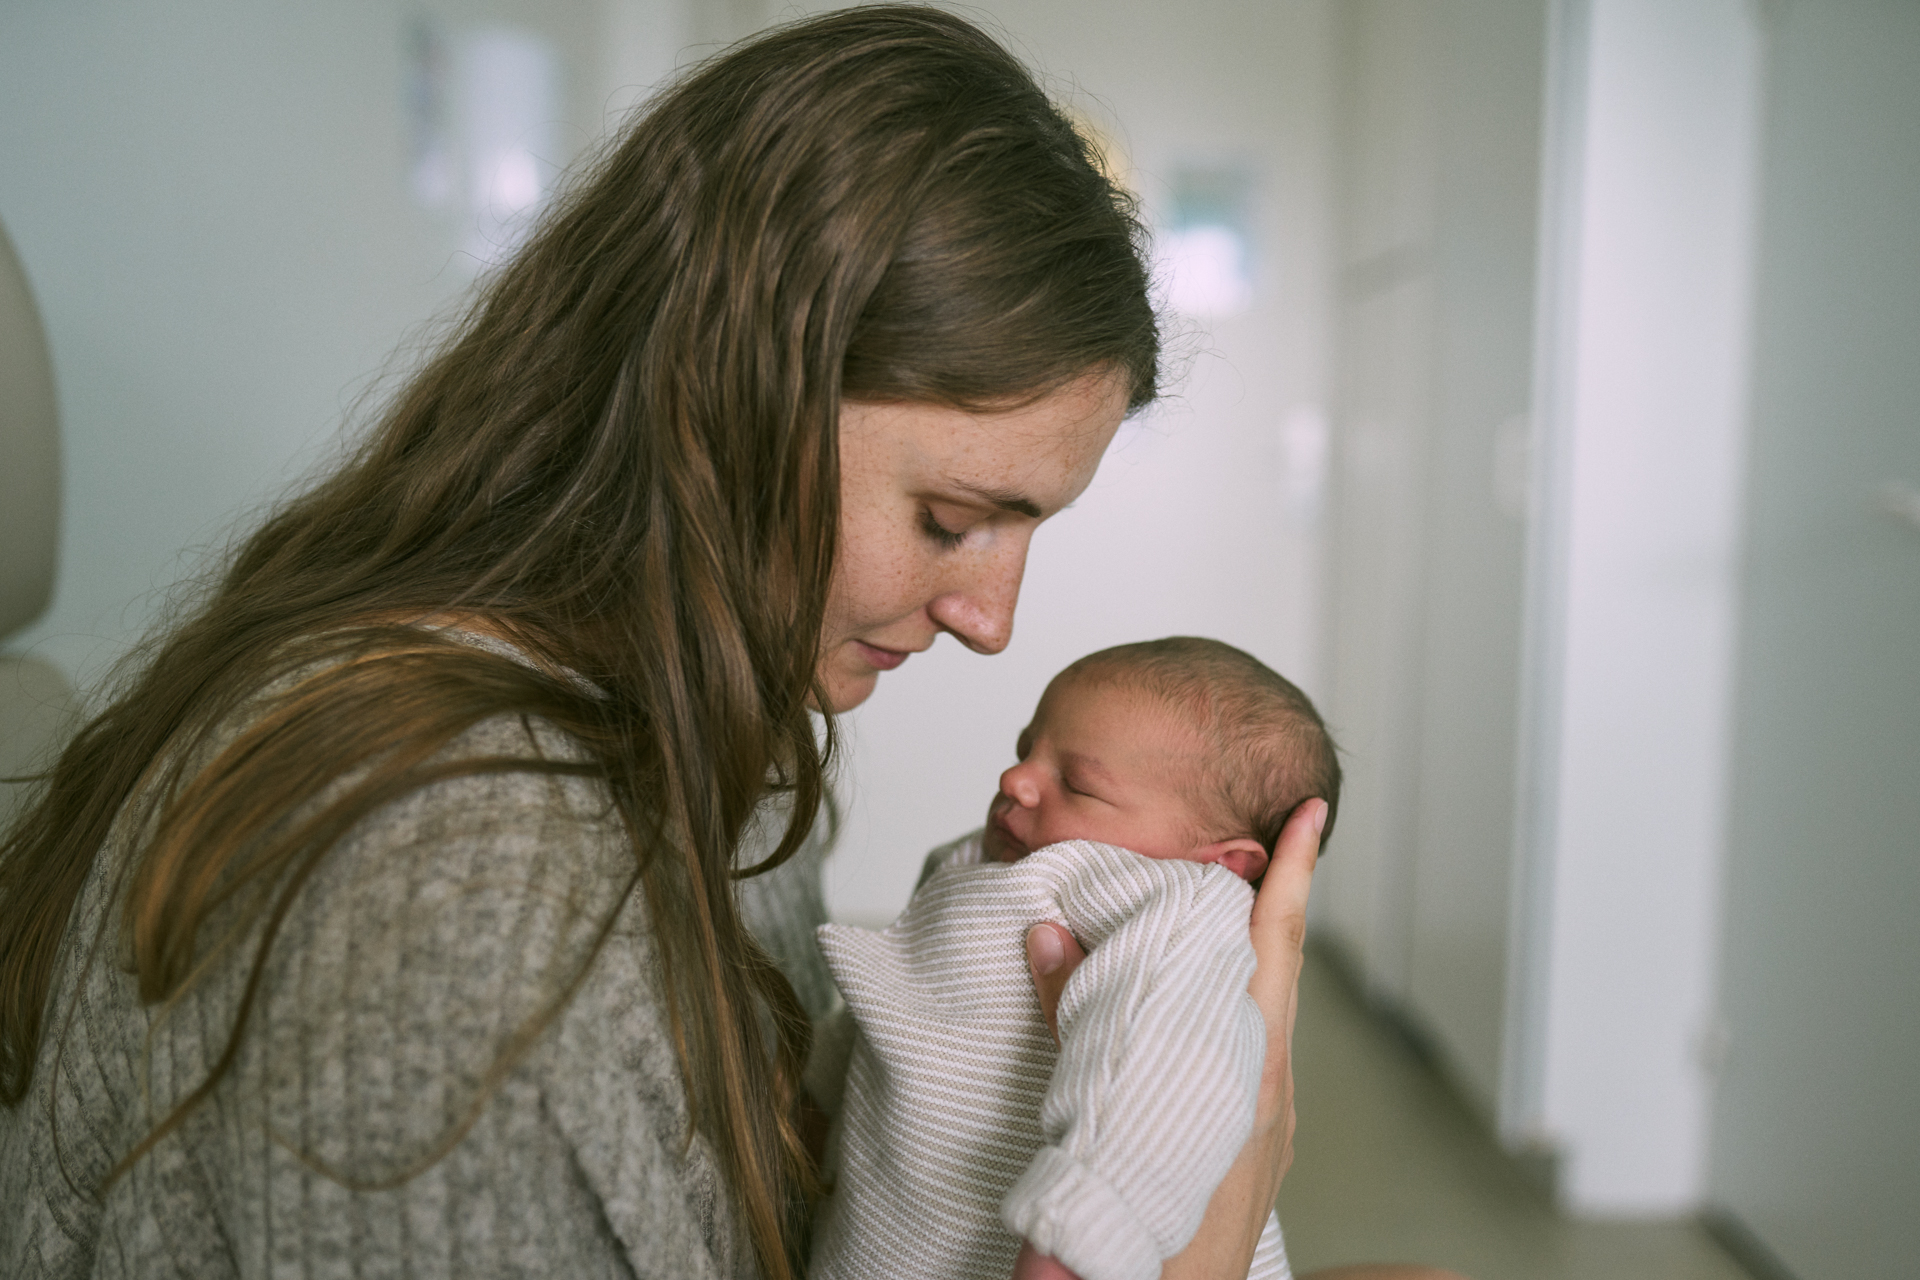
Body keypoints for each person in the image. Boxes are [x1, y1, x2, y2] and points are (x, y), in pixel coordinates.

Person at [0, 8, 1458, 1280]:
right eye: (953, 516)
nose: (992, 619)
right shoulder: (462, 898)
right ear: (723, 402)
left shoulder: (715, 724)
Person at [811, 638, 1338, 1280]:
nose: (1015, 780)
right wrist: (815, 1089)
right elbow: (898, 995)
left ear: (1222, 863)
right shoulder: (977, 862)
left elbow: (1162, 1070)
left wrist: (1082, 1232)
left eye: (1078, 784)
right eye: (1025, 750)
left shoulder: (1175, 907)